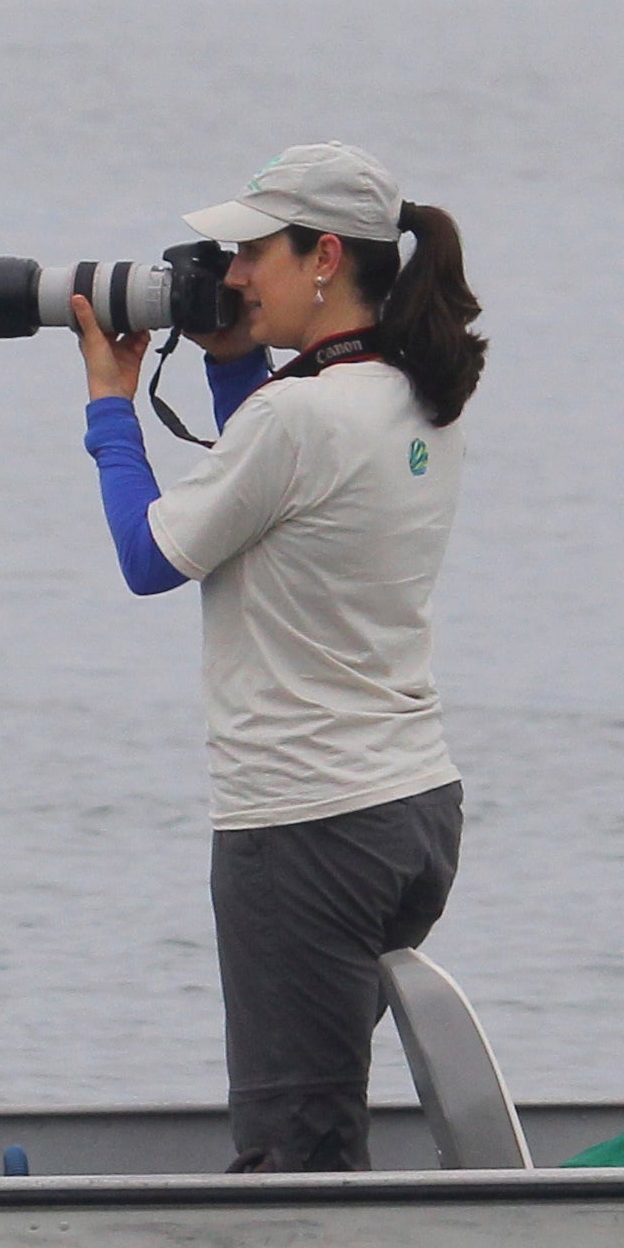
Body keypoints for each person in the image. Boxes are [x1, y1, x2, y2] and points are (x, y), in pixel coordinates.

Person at [65, 141, 487, 1171]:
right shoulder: (414, 393)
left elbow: (149, 555)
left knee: (294, 1148)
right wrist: (231, 360)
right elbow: (274, 482)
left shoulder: (297, 415)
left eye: (253, 253)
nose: (234, 275)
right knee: (321, 1109)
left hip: (304, 829)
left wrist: (110, 405)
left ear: (325, 257)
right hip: (409, 812)